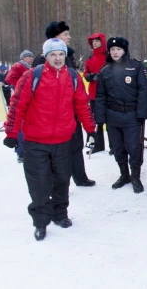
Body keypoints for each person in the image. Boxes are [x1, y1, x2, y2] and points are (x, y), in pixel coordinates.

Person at [2, 38, 96, 241]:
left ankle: (60, 214)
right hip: (36, 142)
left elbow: (82, 104)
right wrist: (11, 133)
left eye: (61, 54)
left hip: (64, 141)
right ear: (46, 56)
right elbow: (17, 105)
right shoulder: (31, 76)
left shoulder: (72, 76)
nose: (58, 58)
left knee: (62, 181)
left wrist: (90, 128)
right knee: (39, 184)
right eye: (53, 54)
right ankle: (40, 222)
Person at [34, 21, 95, 187]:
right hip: (52, 118)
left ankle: (80, 177)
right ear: (55, 37)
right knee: (60, 152)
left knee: (76, 146)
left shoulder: (68, 56)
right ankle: (61, 182)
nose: (69, 37)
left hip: (72, 114)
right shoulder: (41, 62)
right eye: (65, 34)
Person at [94, 37, 147, 194]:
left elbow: (145, 92)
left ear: (124, 50)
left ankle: (135, 177)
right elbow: (100, 95)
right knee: (118, 148)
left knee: (134, 147)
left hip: (132, 116)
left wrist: (142, 114)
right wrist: (99, 118)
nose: (115, 52)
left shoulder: (136, 67)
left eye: (118, 49)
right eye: (112, 50)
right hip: (113, 117)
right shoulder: (105, 70)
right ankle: (124, 175)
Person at [6, 50, 34, 162]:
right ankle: (21, 152)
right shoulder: (19, 66)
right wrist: (21, 85)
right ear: (23, 58)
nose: (31, 58)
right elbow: (9, 78)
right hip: (21, 96)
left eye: (31, 56)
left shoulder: (27, 67)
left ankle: (24, 151)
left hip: (26, 96)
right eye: (28, 57)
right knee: (21, 126)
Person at [83, 33, 108, 154]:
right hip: (94, 93)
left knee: (110, 120)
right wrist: (89, 76)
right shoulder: (90, 57)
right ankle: (97, 145)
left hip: (108, 93)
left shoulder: (108, 56)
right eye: (93, 42)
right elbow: (85, 72)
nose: (95, 44)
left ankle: (114, 146)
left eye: (97, 41)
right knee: (96, 120)